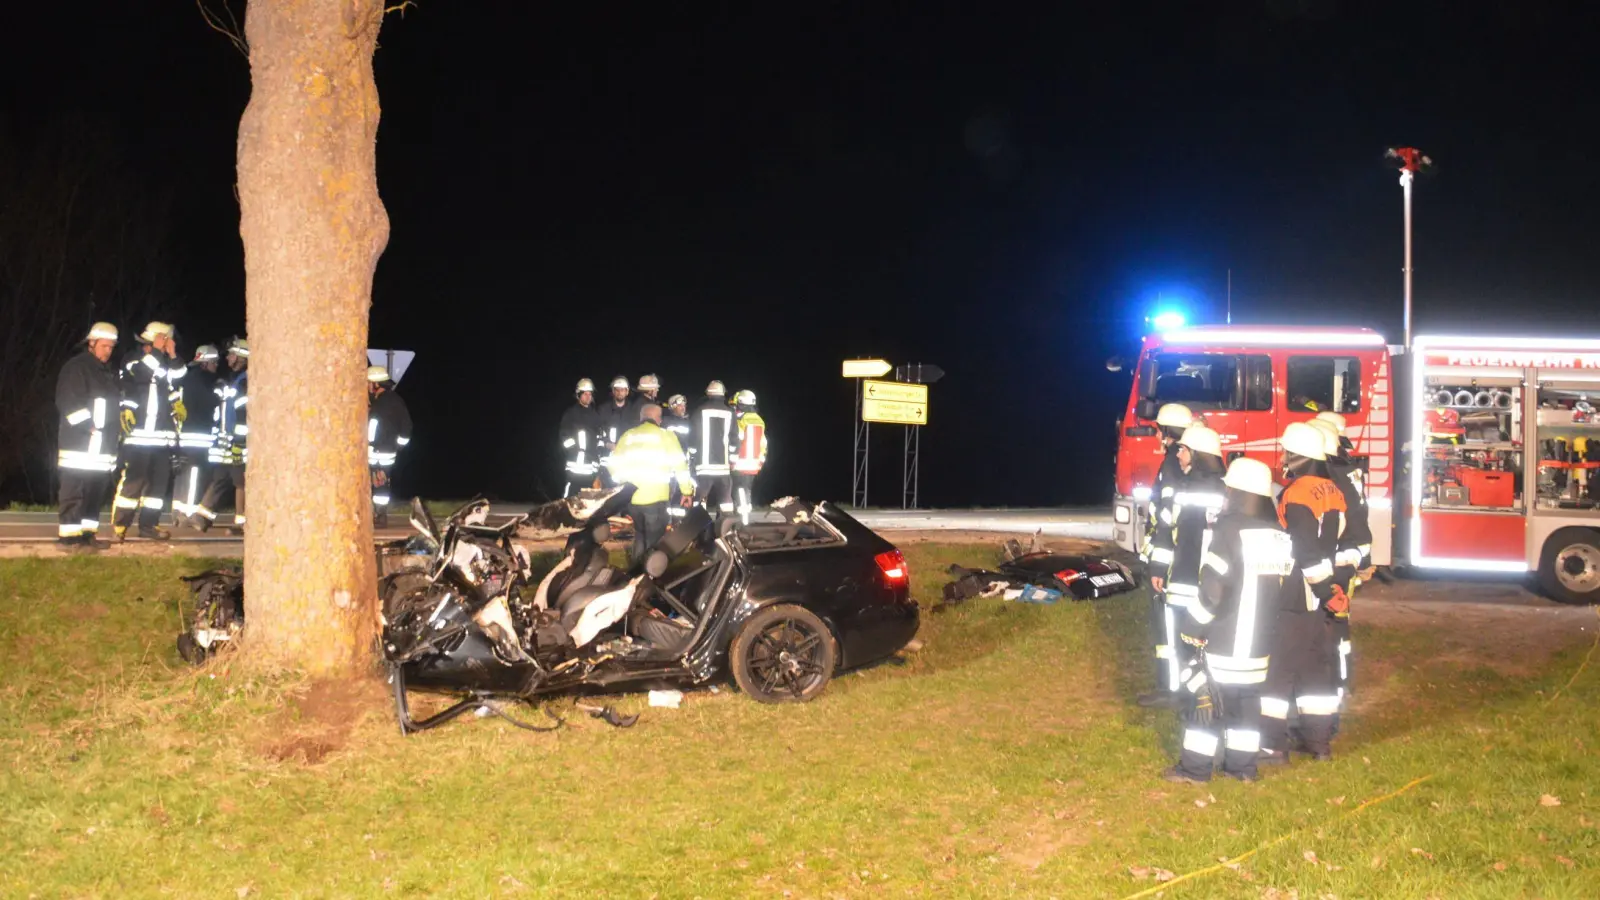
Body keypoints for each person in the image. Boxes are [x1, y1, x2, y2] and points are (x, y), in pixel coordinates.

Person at [1164, 457, 1293, 784]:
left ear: (1237, 492)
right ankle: (1242, 769)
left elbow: (1213, 592)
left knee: (1204, 701)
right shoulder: (1278, 534)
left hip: (1226, 639)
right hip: (1260, 643)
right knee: (1246, 707)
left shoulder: (1229, 530)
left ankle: (1194, 770)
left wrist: (1192, 627)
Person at [1259, 421, 1347, 765]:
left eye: (1286, 452)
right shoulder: (1333, 491)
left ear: (1298, 456)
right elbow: (1330, 546)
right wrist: (1330, 590)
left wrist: (1323, 590)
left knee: (1278, 670)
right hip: (1318, 596)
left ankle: (1271, 745)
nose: (1282, 458)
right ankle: (1319, 743)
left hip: (1297, 593)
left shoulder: (1298, 494)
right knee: (1315, 670)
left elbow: (1305, 549)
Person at [1158, 424, 1227, 703]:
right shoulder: (1226, 490)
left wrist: (1159, 569)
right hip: (1212, 584)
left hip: (1185, 581)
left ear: (1198, 455)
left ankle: (1186, 694)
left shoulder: (1187, 490)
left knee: (1181, 642)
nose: (1178, 454)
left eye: (1184, 449)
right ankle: (1207, 693)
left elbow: (1175, 534)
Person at [1137, 402, 1196, 708]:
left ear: (1167, 431)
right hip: (1183, 558)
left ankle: (1171, 690)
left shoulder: (1172, 465)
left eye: (1160, 430)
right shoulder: (1189, 462)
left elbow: (1166, 518)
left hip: (1170, 560)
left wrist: (1157, 562)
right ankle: (1181, 685)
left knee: (1168, 629)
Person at [1311, 415, 1369, 711]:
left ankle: (1334, 688)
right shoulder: (1349, 471)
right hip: (1348, 559)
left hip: (1335, 563)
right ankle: (1341, 683)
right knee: (1340, 625)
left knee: (1330, 626)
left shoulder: (1333, 478)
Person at [111, 321, 182, 540]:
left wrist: (173, 355)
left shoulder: (161, 360)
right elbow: (142, 373)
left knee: (158, 484)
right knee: (134, 481)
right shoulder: (133, 359)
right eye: (163, 340)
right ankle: (120, 524)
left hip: (162, 437)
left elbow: (178, 376)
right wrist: (159, 353)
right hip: (139, 435)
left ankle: (148, 526)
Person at [55, 322, 122, 549]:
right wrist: (89, 427)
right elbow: (68, 401)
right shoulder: (76, 367)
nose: (108, 351)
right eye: (104, 346)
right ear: (91, 343)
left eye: (111, 347)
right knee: (74, 489)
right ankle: (69, 538)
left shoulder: (107, 372)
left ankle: (87, 535)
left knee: (95, 491)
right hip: (80, 444)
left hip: (102, 447)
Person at [608, 403, 694, 564]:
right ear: (659, 419)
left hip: (632, 500)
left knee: (639, 538)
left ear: (641, 418)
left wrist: (623, 484)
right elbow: (680, 467)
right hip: (656, 499)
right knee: (655, 544)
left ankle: (636, 575)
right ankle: (652, 579)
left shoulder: (628, 436)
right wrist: (686, 491)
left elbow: (613, 466)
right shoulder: (666, 436)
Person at [195, 338, 249, 534]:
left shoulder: (245, 381)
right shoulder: (235, 379)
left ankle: (243, 523)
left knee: (240, 481)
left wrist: (239, 442)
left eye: (232, 354)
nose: (228, 357)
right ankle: (203, 516)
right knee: (221, 476)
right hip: (228, 441)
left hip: (238, 442)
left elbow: (243, 415)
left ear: (242, 357)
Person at [172, 344, 221, 526]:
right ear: (205, 363)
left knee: (183, 474)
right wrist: (217, 395)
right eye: (214, 362)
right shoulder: (201, 380)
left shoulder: (186, 378)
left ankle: (177, 510)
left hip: (186, 434)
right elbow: (207, 403)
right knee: (194, 474)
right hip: (197, 435)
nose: (216, 366)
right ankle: (189, 512)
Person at [367, 365, 413, 528]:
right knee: (381, 482)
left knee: (379, 483)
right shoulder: (394, 400)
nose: (367, 386)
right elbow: (406, 426)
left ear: (376, 384)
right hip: (388, 449)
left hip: (378, 450)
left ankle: (380, 515)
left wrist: (370, 444)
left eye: (369, 383)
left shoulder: (381, 404)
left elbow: (373, 427)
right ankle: (378, 513)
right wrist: (399, 445)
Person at [690, 381, 735, 520]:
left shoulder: (699, 411)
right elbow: (734, 439)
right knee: (726, 501)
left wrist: (692, 456)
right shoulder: (730, 412)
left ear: (708, 394)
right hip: (723, 467)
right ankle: (725, 529)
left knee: (700, 499)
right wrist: (732, 459)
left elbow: (694, 437)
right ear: (722, 394)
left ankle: (699, 529)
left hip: (704, 467)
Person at [558, 378, 601, 497]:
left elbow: (598, 438)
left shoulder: (595, 415)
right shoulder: (571, 414)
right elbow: (564, 438)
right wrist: (575, 450)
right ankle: (564, 514)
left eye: (590, 394)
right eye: (585, 394)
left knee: (587, 498)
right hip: (575, 465)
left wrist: (597, 459)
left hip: (591, 466)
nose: (588, 396)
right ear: (578, 395)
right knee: (570, 496)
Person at [731, 389, 767, 524]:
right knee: (746, 491)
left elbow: (737, 439)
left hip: (740, 462)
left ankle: (741, 522)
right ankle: (744, 519)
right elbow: (763, 442)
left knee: (738, 492)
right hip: (754, 463)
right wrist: (761, 459)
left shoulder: (740, 420)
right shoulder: (759, 420)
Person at [597, 375, 633, 487]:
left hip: (627, 459)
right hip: (607, 459)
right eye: (617, 390)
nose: (619, 393)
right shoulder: (603, 409)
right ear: (613, 391)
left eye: (622, 390)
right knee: (606, 492)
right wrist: (607, 444)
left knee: (625, 491)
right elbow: (596, 431)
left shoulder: (633, 410)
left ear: (627, 392)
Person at [662, 394, 694, 519]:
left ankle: (677, 521)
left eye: (684, 405)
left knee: (681, 495)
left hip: (684, 465)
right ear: (672, 407)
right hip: (669, 466)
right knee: (669, 493)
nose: (683, 407)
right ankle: (666, 521)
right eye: (680, 405)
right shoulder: (665, 422)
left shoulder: (688, 422)